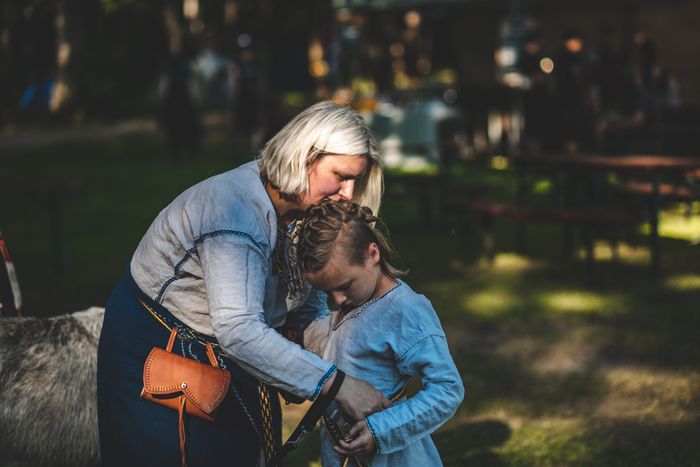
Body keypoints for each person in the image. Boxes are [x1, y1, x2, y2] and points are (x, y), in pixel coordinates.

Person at [97, 101, 389, 467]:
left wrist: (356, 365)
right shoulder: (234, 213)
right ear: (305, 156)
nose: (347, 193)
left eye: (355, 181)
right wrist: (338, 385)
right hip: (161, 353)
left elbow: (309, 312)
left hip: (228, 354)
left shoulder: (305, 213)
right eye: (340, 175)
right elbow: (238, 329)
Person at [298, 200, 464, 466]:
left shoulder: (405, 310)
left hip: (393, 457)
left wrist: (382, 429)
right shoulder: (353, 299)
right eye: (327, 291)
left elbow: (448, 389)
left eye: (344, 286)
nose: (337, 300)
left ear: (372, 254)